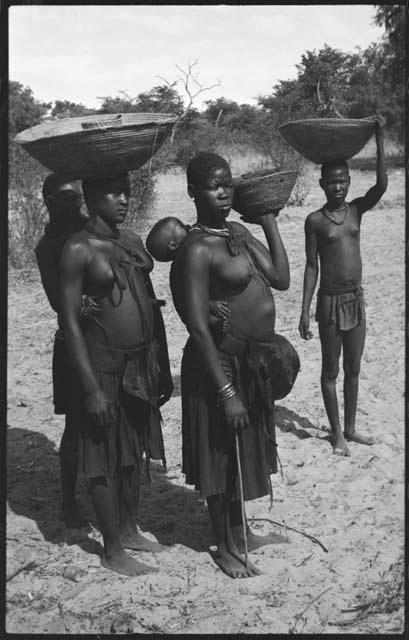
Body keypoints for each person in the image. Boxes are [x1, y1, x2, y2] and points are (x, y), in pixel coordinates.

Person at [170, 152, 291, 579]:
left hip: (249, 361)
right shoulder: (197, 249)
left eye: (227, 184)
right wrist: (225, 391)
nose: (223, 192)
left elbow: (280, 276)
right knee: (221, 456)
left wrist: (267, 221)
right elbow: (197, 326)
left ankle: (242, 534)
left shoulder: (236, 233)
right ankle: (226, 546)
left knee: (243, 450)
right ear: (193, 192)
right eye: (212, 186)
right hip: (216, 364)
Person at [59, 172, 173, 576]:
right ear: (90, 197)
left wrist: (161, 365)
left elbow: (148, 303)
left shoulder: (131, 241)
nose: (123, 198)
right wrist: (90, 388)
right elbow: (70, 322)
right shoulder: (78, 248)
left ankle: (128, 529)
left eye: (125, 190)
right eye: (112, 192)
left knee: (131, 451)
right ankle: (111, 549)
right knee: (102, 455)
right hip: (102, 366)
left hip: (139, 364)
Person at [298, 117, 387, 456]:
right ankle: (336, 434)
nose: (337, 187)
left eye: (342, 181)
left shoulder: (356, 211)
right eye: (331, 182)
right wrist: (305, 310)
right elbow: (311, 266)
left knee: (354, 368)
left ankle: (350, 429)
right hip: (330, 302)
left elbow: (380, 186)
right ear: (321, 184)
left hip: (356, 299)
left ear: (349, 182)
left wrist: (380, 140)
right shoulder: (315, 221)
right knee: (331, 369)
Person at [35, 174, 90, 528]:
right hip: (73, 340)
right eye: (67, 199)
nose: (75, 204)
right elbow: (59, 301)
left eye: (78, 198)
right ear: (50, 201)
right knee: (75, 425)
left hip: (104, 335)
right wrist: (80, 303)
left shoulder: (89, 232)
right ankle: (69, 501)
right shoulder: (49, 246)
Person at [146, 216, 231, 334]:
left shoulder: (189, 260)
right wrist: (210, 305)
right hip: (203, 315)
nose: (186, 225)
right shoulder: (182, 266)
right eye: (180, 226)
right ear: (173, 245)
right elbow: (184, 301)